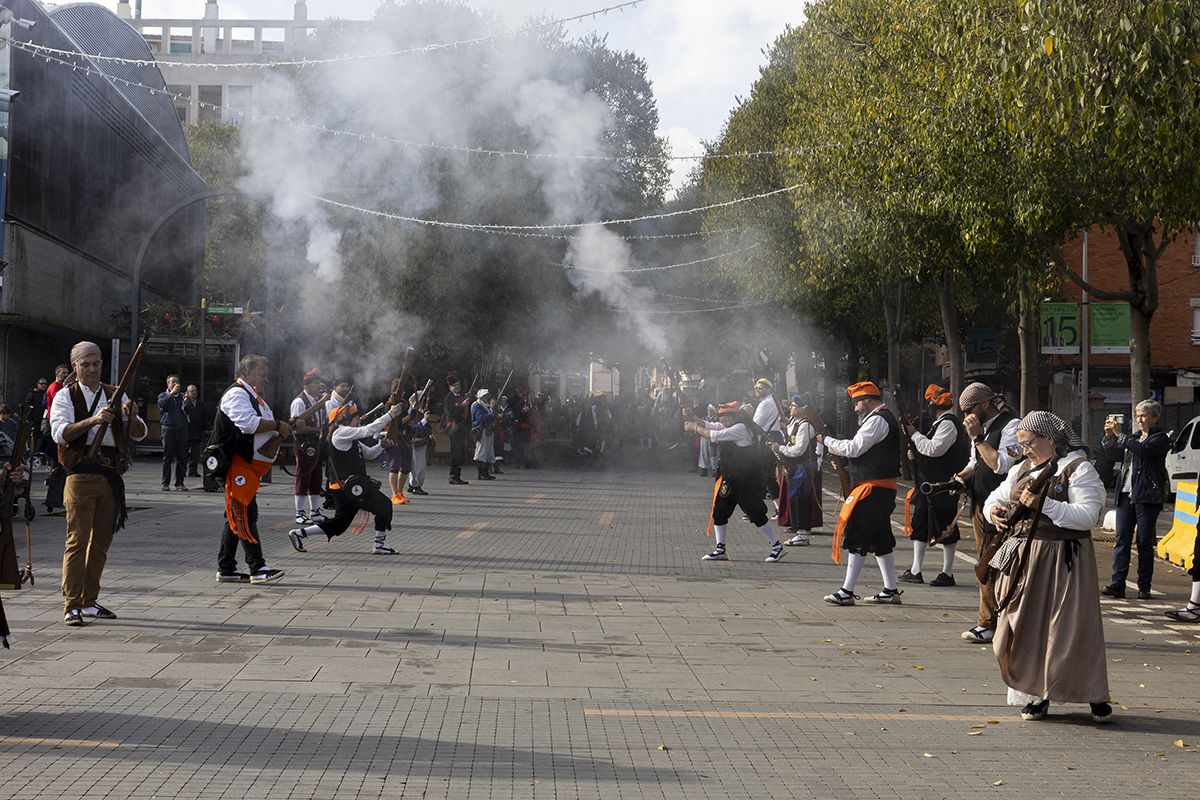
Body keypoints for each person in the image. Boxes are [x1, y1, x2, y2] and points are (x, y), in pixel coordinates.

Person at [984, 411, 1110, 723]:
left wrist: (1044, 504)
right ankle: (1035, 694)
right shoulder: (1020, 469)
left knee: (1069, 630)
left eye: (1027, 443)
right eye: (1020, 444)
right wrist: (994, 512)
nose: (1023, 449)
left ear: (1050, 440)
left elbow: (1088, 516)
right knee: (1023, 626)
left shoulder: (1079, 469)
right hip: (1026, 557)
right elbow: (993, 498)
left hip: (1066, 559)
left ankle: (1093, 694)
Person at [50, 341, 147, 625]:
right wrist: (93, 420)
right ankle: (71, 604)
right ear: (75, 366)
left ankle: (89, 601)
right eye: (85, 364)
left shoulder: (115, 393)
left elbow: (139, 433)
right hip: (80, 474)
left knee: (101, 542)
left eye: (96, 364)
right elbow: (60, 433)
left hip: (110, 476)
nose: (91, 369)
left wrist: (132, 416)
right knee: (77, 540)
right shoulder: (65, 396)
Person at [815, 382, 903, 605]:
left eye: (857, 402)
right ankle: (890, 590)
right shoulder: (881, 418)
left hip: (872, 490)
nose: (855, 407)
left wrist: (826, 441)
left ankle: (846, 591)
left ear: (868, 401)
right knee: (881, 539)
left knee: (857, 536)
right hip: (879, 489)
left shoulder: (877, 420)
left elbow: (855, 448)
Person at [289, 397, 405, 555]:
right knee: (384, 505)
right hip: (347, 487)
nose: (359, 419)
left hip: (348, 487)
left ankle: (299, 534)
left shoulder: (349, 436)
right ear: (346, 419)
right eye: (356, 417)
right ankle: (379, 544)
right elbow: (368, 430)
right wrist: (390, 415)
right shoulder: (341, 432)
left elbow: (370, 454)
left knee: (339, 525)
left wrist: (381, 445)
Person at [953, 382, 1020, 644]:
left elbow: (1000, 465)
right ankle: (990, 619)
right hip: (981, 503)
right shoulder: (981, 430)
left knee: (993, 564)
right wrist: (959, 478)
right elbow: (975, 463)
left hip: (1003, 509)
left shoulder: (1011, 425)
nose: (966, 416)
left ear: (984, 404)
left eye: (969, 409)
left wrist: (978, 437)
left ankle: (989, 622)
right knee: (984, 562)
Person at [214, 354, 287, 585]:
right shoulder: (237, 394)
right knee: (245, 513)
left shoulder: (252, 396)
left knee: (235, 516)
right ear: (248, 373)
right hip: (235, 463)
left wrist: (282, 428)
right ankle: (257, 567)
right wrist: (277, 425)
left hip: (247, 466)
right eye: (262, 373)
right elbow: (248, 424)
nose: (266, 378)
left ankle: (226, 568)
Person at [686, 402, 785, 563]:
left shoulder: (740, 429)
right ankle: (720, 549)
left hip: (745, 480)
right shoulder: (729, 426)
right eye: (722, 417)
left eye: (726, 417)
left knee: (756, 513)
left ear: (734, 417)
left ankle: (777, 546)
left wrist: (694, 427)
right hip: (730, 479)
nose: (723, 420)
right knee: (719, 511)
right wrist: (693, 417)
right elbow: (711, 425)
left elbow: (713, 434)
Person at [900, 385, 970, 586]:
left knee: (946, 527)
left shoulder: (948, 424)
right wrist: (916, 453)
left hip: (943, 485)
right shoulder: (940, 423)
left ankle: (947, 573)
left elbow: (934, 449)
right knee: (921, 524)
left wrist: (914, 435)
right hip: (931, 484)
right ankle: (916, 570)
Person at [1100, 400, 1169, 600]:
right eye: (1138, 415)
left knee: (1144, 542)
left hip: (1147, 496)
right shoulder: (1132, 438)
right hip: (1125, 494)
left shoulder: (1160, 438)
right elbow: (1112, 454)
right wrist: (1109, 436)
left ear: (1155, 418)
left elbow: (1143, 451)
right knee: (1121, 540)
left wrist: (1120, 435)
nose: (1140, 419)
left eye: (1144, 415)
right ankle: (1117, 584)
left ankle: (1144, 585)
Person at [772, 394, 822, 547]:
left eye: (794, 406)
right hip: (797, 468)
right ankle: (800, 531)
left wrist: (779, 448)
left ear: (803, 408)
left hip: (804, 468)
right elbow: (789, 436)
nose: (791, 408)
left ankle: (802, 533)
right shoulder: (796, 422)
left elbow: (799, 450)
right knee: (796, 499)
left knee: (801, 500)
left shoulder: (806, 425)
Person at [289, 369, 328, 524]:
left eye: (319, 382)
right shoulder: (299, 402)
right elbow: (296, 426)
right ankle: (299, 512)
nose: (319, 385)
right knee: (303, 475)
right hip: (303, 442)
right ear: (307, 385)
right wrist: (318, 430)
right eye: (316, 383)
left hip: (315, 442)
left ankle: (314, 511)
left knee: (316, 476)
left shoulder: (318, 399)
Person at [752, 378, 784, 516]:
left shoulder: (765, 404)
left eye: (761, 388)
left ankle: (777, 508)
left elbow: (755, 424)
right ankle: (780, 508)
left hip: (768, 439)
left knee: (766, 475)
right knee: (769, 476)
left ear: (769, 390)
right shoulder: (770, 402)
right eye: (756, 388)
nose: (757, 390)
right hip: (772, 437)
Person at [381, 378, 414, 504]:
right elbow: (396, 422)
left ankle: (400, 492)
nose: (402, 392)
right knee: (394, 467)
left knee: (405, 467)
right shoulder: (389, 404)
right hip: (394, 437)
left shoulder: (404, 403)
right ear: (394, 391)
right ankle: (394, 494)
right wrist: (410, 415)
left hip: (405, 438)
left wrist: (413, 411)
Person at [157, 374, 189, 491]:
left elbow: (189, 411)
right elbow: (162, 405)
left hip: (181, 429)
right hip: (168, 428)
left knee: (182, 457)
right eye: (173, 382)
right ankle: (165, 483)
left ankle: (179, 483)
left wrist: (187, 401)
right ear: (168, 384)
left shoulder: (182, 397)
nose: (176, 384)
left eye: (177, 382)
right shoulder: (163, 395)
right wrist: (171, 394)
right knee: (167, 457)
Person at [443, 373, 470, 485]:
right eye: (455, 385)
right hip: (454, 427)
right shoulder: (449, 398)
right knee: (455, 451)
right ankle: (453, 476)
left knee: (461, 452)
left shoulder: (460, 395)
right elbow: (450, 413)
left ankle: (458, 475)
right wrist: (461, 406)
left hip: (462, 427)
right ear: (450, 387)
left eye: (458, 384)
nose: (457, 387)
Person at [407, 405, 436, 496]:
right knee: (418, 465)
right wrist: (424, 420)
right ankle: (416, 485)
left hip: (422, 441)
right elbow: (413, 428)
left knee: (417, 464)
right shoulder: (411, 413)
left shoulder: (421, 411)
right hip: (416, 442)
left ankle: (413, 484)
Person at [471, 389, 497, 480]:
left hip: (488, 430)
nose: (486, 397)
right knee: (481, 452)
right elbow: (481, 418)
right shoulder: (476, 405)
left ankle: (485, 472)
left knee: (488, 452)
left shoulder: (486, 406)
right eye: (484, 396)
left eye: (487, 396)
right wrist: (492, 414)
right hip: (481, 430)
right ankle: (481, 473)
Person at [183, 384, 206, 478]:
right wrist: (184, 402)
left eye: (195, 391)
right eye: (192, 391)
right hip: (186, 431)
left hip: (197, 431)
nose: (194, 393)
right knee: (183, 453)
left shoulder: (201, 403)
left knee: (195, 454)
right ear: (187, 393)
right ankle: (182, 471)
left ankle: (193, 471)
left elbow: (204, 417)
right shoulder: (184, 403)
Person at [697, 404, 718, 477]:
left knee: (713, 454)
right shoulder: (704, 418)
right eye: (708, 410)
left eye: (710, 410)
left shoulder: (716, 419)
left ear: (713, 411)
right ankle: (703, 469)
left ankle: (714, 469)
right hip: (704, 438)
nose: (708, 411)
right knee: (703, 453)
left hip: (712, 437)